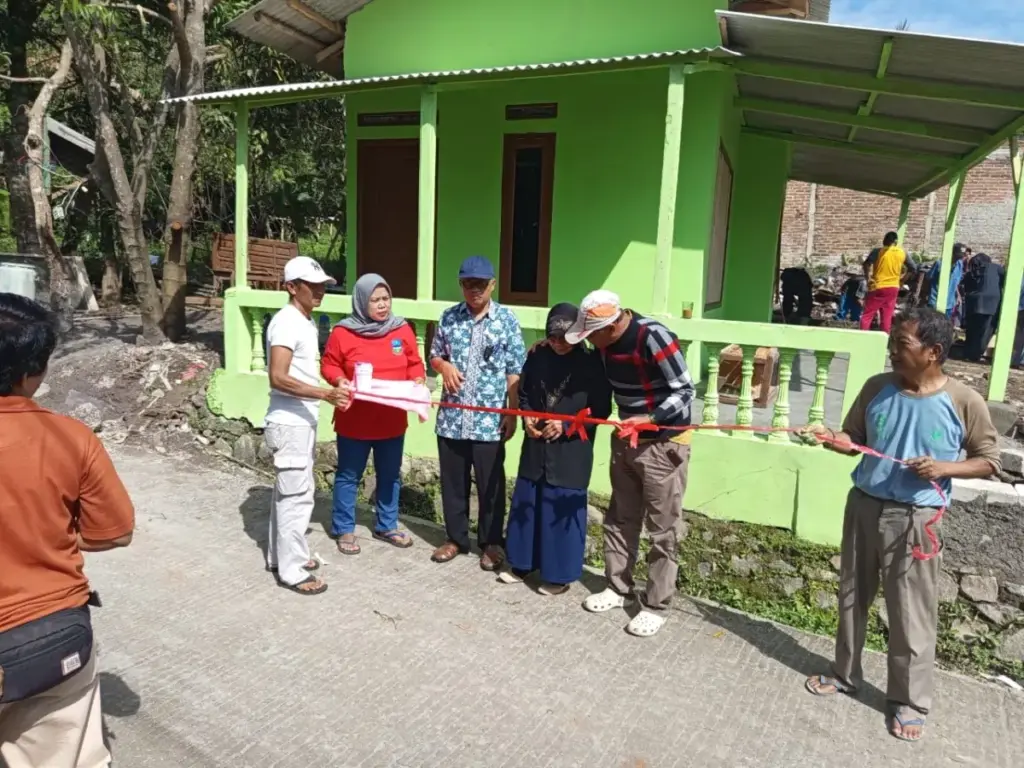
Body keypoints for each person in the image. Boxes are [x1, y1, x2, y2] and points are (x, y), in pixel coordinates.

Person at [800, 308, 1000, 743]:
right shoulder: (877, 387)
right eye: (891, 342)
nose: (891, 351)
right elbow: (854, 441)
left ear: (934, 352)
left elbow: (989, 460)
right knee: (852, 597)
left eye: (901, 344)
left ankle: (909, 701)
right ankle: (845, 673)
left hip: (915, 519)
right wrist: (834, 440)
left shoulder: (963, 401)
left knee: (910, 614)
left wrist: (944, 467)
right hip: (864, 506)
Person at [0, 293, 135, 768]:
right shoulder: (71, 437)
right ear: (34, 371)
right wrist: (51, 533)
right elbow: (116, 532)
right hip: (50, 642)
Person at [565, 290, 695, 638]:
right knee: (620, 516)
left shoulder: (653, 336)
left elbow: (684, 391)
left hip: (663, 443)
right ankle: (617, 586)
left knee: (662, 527)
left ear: (610, 326)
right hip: (625, 439)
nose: (590, 341)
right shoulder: (603, 345)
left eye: (592, 334)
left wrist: (649, 418)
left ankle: (656, 605)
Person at [500, 304, 613, 595]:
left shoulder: (591, 363)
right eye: (553, 337)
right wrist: (528, 417)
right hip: (537, 446)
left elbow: (601, 408)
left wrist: (566, 426)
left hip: (570, 451)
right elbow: (524, 393)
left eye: (565, 338)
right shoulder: (538, 356)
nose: (558, 344)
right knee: (529, 503)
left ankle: (558, 575)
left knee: (560, 509)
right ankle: (522, 564)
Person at [428, 256, 526, 569]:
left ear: (492, 285)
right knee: (453, 483)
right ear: (461, 285)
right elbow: (434, 355)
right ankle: (455, 538)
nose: (475, 290)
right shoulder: (449, 317)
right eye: (469, 284)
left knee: (491, 485)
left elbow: (515, 370)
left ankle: (491, 542)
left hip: (489, 421)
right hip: (453, 419)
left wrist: (512, 413)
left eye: (481, 284)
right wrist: (444, 366)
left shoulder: (506, 320)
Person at [320, 273, 426, 554]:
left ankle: (386, 525)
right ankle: (344, 528)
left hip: (391, 421)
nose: (382, 305)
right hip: (355, 420)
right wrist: (339, 380)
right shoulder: (343, 332)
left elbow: (415, 363)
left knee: (389, 475)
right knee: (348, 475)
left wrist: (417, 379)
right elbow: (329, 365)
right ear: (360, 302)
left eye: (386, 298)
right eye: (375, 300)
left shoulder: (401, 330)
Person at [264, 256, 345, 595]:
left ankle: (281, 557)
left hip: (300, 421)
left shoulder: (304, 321)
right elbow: (278, 376)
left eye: (321, 285)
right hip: (290, 422)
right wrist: (324, 394)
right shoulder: (286, 322)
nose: (318, 292)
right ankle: (293, 571)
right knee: (296, 498)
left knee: (289, 494)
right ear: (291, 287)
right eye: (310, 286)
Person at [860, 231, 916, 333]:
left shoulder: (878, 251)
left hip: (877, 287)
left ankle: (862, 339)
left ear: (884, 241)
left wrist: (868, 278)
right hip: (893, 288)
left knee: (867, 316)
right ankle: (884, 343)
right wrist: (902, 281)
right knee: (886, 317)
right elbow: (913, 268)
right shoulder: (902, 252)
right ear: (895, 242)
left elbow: (866, 265)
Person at [961, 252, 1005, 362]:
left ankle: (968, 353)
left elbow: (964, 287)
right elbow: (1005, 281)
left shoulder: (970, 273)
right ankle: (976, 355)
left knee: (971, 329)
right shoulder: (996, 268)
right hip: (991, 304)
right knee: (986, 330)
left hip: (973, 303)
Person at [926, 243, 966, 321]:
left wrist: (958, 295)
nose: (958, 259)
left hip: (949, 303)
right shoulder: (939, 263)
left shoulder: (959, 265)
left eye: (960, 257)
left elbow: (956, 282)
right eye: (957, 256)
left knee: (944, 325)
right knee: (933, 324)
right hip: (935, 301)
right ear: (952, 253)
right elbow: (929, 277)